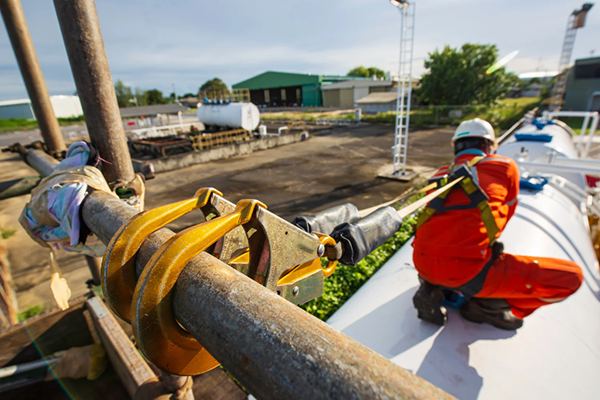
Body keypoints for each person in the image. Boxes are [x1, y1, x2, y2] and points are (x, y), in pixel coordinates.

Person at [412, 118, 583, 330]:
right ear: (489, 146)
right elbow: (501, 220)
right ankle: (486, 306)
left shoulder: (439, 176)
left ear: (455, 146)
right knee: (572, 277)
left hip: (422, 263)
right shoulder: (504, 166)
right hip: (470, 272)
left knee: (449, 255)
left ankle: (433, 285)